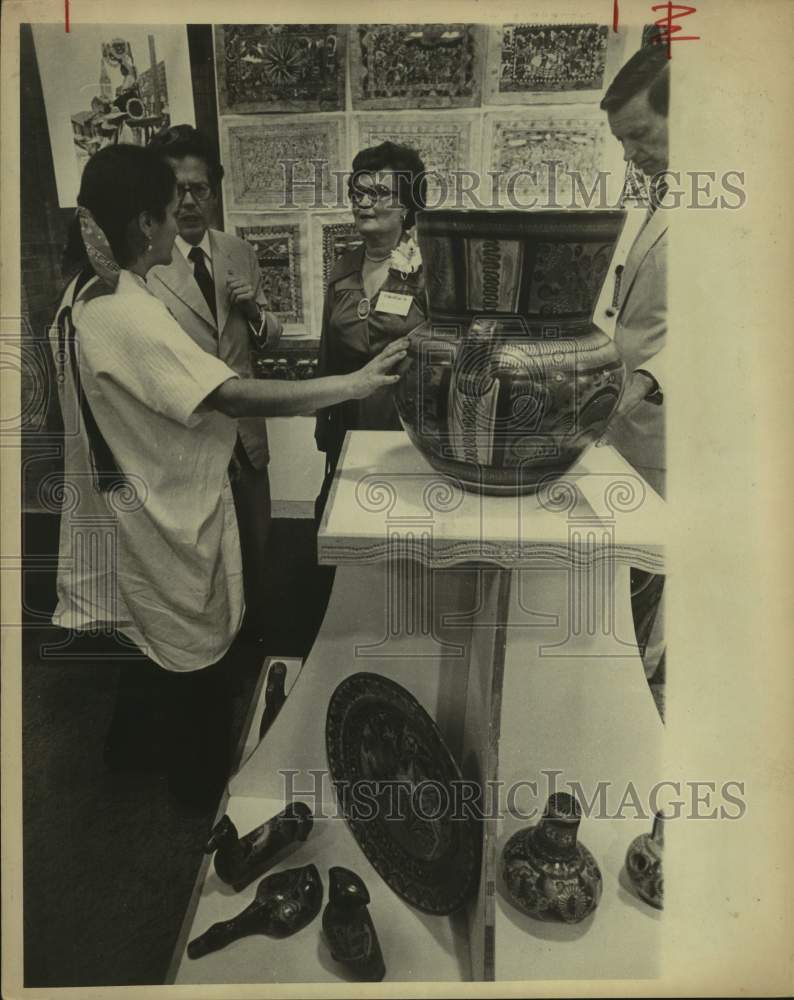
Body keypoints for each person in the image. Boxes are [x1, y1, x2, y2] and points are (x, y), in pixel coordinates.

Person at [50, 144, 408, 805]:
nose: (182, 219)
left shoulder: (83, 294)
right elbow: (231, 394)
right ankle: (200, 793)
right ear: (145, 225)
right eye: (170, 209)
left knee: (154, 635)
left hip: (132, 495)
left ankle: (140, 752)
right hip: (161, 503)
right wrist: (351, 384)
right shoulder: (124, 309)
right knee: (190, 649)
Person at [146, 124, 281, 641]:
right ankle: (212, 652)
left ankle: (258, 647)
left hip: (246, 434)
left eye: (199, 188)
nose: (188, 201)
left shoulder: (237, 251)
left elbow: (267, 338)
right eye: (176, 189)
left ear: (214, 191)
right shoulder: (146, 265)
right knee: (203, 562)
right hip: (190, 437)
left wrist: (255, 311)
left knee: (257, 546)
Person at [600, 42, 669, 688]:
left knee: (650, 595)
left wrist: (642, 382)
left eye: (639, 136)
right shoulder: (664, 200)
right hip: (632, 434)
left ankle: (640, 707)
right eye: (623, 142)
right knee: (628, 591)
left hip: (663, 438)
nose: (631, 155)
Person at [314, 142, 428, 520]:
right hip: (349, 422)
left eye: (378, 193)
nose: (363, 203)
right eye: (357, 193)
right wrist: (325, 424)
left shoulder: (430, 270)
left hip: (408, 426)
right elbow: (329, 353)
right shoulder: (342, 268)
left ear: (407, 206)